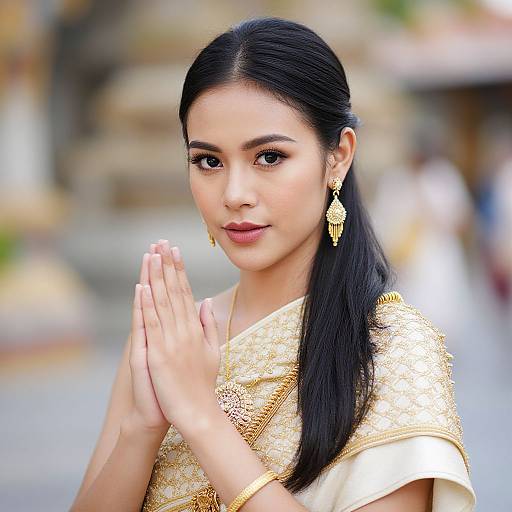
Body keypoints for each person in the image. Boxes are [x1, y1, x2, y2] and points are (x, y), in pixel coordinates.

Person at [70, 17, 476, 512]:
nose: (234, 195)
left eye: (268, 157)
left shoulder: (391, 352)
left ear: (338, 157)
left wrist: (201, 417)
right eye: (209, 162)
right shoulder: (168, 343)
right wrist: (142, 428)